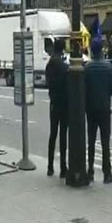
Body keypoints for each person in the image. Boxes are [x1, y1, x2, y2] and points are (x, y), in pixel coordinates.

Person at [85, 37, 112, 184]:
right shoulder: (108, 67)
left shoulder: (87, 67)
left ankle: (90, 172)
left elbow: (83, 89)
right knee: (105, 142)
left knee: (91, 141)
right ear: (102, 50)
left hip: (91, 109)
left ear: (92, 50)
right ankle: (107, 173)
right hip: (105, 109)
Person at [45, 39, 68, 178]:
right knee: (63, 135)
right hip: (64, 103)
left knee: (53, 134)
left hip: (53, 102)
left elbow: (48, 83)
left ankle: (50, 166)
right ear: (63, 49)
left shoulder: (49, 65)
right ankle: (63, 167)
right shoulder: (64, 67)